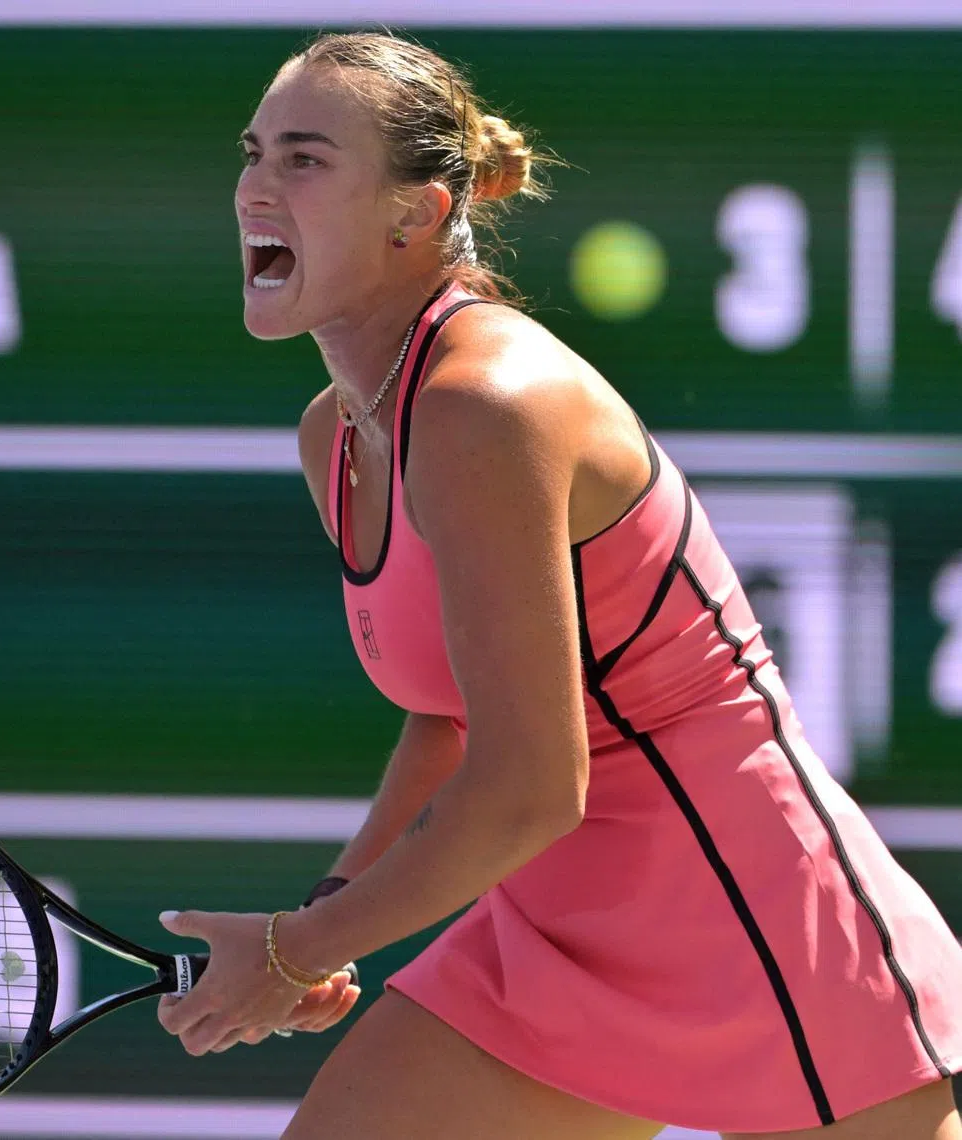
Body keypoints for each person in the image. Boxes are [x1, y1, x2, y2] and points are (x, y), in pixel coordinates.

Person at [156, 30, 962, 1140]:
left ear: (417, 212)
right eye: (253, 153)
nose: (253, 186)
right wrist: (336, 906)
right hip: (553, 936)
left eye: (304, 159)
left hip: (754, 925)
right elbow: (452, 720)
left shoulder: (489, 406)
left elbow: (533, 784)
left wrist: (297, 952)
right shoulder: (334, 437)